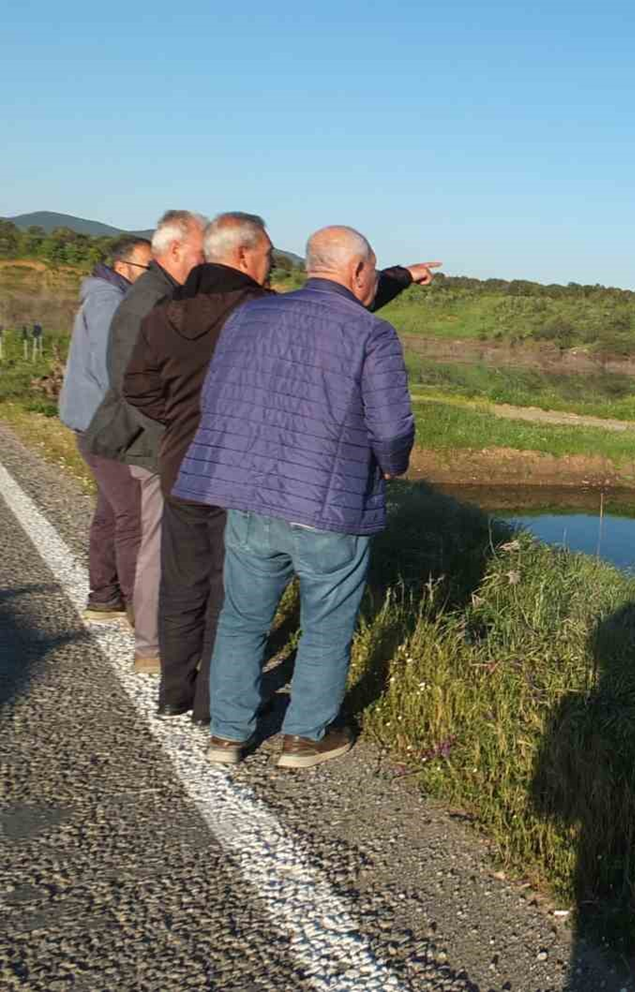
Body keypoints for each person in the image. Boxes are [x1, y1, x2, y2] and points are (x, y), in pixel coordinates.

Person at [124, 212, 436, 724]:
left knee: (223, 605)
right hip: (311, 493)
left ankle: (211, 718)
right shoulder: (354, 328)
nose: (270, 263)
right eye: (267, 254)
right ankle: (293, 731)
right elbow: (388, 421)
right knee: (313, 621)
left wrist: (193, 428)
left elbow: (194, 394)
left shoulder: (220, 314)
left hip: (221, 477)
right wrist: (391, 465)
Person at [84, 210, 206, 673]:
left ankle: (155, 634)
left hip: (154, 440)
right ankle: (152, 646)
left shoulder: (162, 293)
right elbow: (131, 385)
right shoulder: (148, 301)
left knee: (152, 537)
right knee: (156, 542)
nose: (206, 260)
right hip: (151, 445)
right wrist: (172, 444)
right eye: (200, 251)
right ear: (174, 249)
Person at [58, 235, 152, 623]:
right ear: (123, 267)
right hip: (104, 424)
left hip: (94, 421)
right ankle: (136, 608)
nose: (153, 275)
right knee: (134, 514)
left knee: (111, 511)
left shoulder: (106, 297)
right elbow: (114, 369)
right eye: (148, 268)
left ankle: (104, 595)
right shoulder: (109, 302)